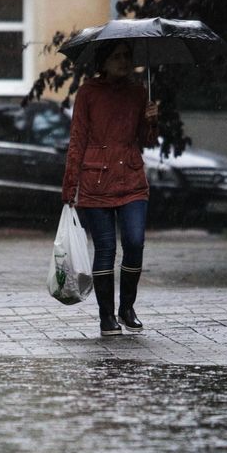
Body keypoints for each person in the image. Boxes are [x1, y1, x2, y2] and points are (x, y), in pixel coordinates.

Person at [61, 40, 160, 336]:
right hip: (95, 181)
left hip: (131, 179)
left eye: (127, 56)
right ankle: (107, 317)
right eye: (116, 57)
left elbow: (148, 141)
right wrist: (70, 185)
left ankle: (126, 307)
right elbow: (78, 138)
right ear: (103, 62)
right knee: (105, 248)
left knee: (134, 242)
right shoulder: (89, 93)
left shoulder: (139, 93)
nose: (123, 61)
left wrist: (152, 122)